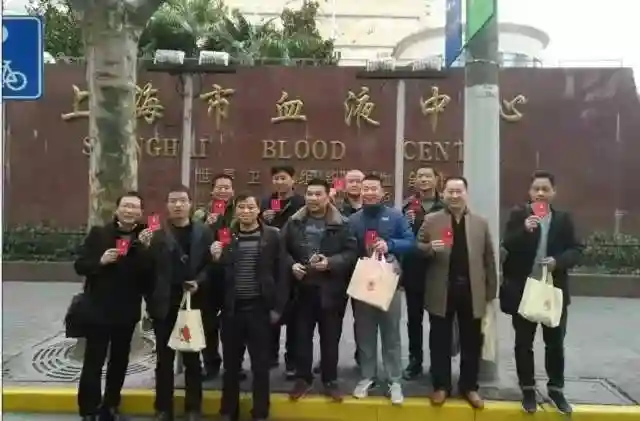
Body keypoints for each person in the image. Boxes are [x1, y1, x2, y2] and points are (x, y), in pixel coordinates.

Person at [501, 170, 583, 415]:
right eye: (536, 189)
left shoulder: (562, 220)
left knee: (555, 343)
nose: (540, 193)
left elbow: (577, 250)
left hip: (552, 292)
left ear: (553, 193)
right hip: (524, 290)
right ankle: (528, 389)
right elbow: (507, 246)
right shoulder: (519, 216)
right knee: (523, 343)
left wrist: (558, 261)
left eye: (545, 189)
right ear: (529, 192)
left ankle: (556, 389)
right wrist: (523, 230)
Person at [416, 176, 497, 409]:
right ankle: (441, 386)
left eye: (458, 191)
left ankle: (469, 386)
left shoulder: (480, 223)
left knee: (472, 341)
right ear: (443, 194)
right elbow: (417, 248)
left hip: (472, 290)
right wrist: (429, 248)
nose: (454, 196)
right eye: (450, 191)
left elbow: (489, 258)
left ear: (466, 194)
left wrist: (491, 291)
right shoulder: (432, 220)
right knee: (439, 340)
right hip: (441, 289)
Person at [74, 192, 153, 421]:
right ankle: (89, 410)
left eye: (135, 207)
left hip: (126, 311)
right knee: (94, 361)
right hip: (98, 309)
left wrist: (146, 250)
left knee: (119, 362)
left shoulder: (145, 236)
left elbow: (148, 277)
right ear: (117, 210)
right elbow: (80, 265)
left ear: (141, 212)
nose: (129, 211)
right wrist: (100, 261)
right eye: (126, 206)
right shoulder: (99, 234)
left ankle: (110, 406)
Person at [139, 185, 214, 421]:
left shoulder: (204, 232)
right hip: (164, 305)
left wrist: (199, 282)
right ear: (167, 205)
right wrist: (144, 248)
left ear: (191, 203)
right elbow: (146, 271)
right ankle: (163, 408)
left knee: (192, 359)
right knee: (164, 360)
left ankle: (193, 408)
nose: (178, 205)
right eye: (173, 201)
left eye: (182, 200)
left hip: (193, 304)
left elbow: (212, 265)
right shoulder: (156, 233)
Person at [211, 193, 286, 421]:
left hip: (260, 310)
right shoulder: (225, 236)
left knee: (260, 366)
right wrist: (216, 259)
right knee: (231, 366)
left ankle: (260, 412)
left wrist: (277, 309)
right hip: (232, 311)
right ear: (235, 211)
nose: (246, 211)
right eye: (241, 207)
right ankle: (228, 411)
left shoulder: (272, 236)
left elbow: (282, 274)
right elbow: (218, 276)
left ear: (258, 210)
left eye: (250, 207)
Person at [282, 178, 357, 401]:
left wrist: (331, 263)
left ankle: (330, 380)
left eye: (318, 194)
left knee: (330, 339)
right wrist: (291, 265)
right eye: (309, 194)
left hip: (331, 291)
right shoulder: (294, 222)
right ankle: (303, 379)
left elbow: (351, 253)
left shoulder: (342, 223)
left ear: (327, 197)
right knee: (301, 338)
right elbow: (281, 250)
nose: (313, 198)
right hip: (302, 290)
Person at [348, 174, 415, 405]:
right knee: (364, 332)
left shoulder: (395, 216)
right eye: (365, 188)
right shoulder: (353, 220)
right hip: (363, 282)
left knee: (391, 333)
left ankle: (394, 380)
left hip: (389, 281)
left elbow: (410, 241)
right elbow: (347, 248)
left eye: (373, 188)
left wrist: (391, 245)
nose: (369, 193)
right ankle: (367, 377)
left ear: (382, 192)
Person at [193, 173, 244, 381]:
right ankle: (211, 364)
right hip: (209, 274)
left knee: (234, 323)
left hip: (233, 273)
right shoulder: (200, 214)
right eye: (219, 187)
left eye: (227, 187)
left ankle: (235, 366)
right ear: (212, 191)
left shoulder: (241, 211)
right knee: (208, 322)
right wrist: (207, 224)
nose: (223, 191)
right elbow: (194, 239)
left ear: (232, 191)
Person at [260, 165, 305, 378]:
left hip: (295, 262)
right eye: (276, 178)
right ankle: (270, 357)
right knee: (271, 313)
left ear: (293, 179)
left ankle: (292, 361)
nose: (279, 182)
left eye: (283, 178)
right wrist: (263, 219)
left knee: (295, 317)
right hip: (272, 264)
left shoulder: (301, 203)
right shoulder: (266, 202)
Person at [401, 166, 444, 380]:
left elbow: (450, 234)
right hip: (414, 270)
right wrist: (406, 223)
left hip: (439, 270)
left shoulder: (445, 205)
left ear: (436, 179)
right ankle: (415, 361)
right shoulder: (408, 206)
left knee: (438, 321)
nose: (424, 179)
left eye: (428, 176)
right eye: (420, 176)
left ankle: (438, 364)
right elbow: (401, 236)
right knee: (414, 320)